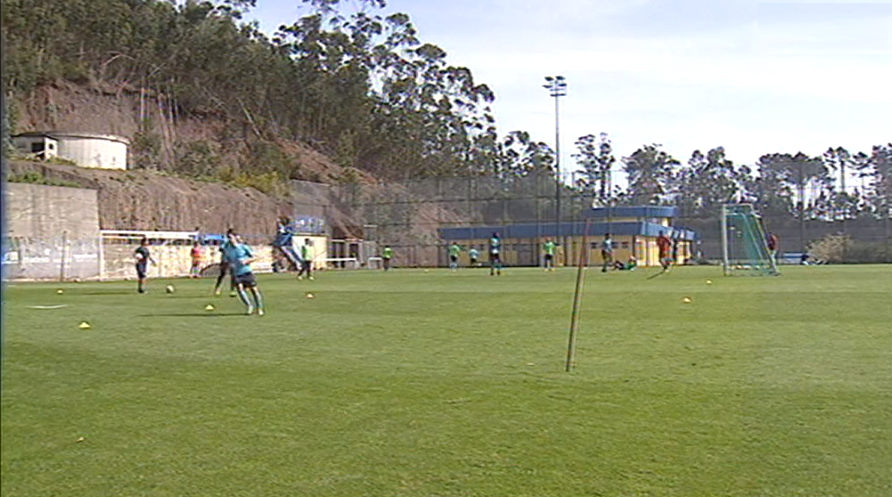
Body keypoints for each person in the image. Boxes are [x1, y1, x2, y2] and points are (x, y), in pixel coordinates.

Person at [223, 230, 265, 316]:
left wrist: (247, 261)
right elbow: (227, 260)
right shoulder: (228, 249)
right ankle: (249, 306)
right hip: (236, 273)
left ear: (235, 237)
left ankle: (259, 308)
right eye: (228, 238)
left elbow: (255, 257)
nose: (230, 240)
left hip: (246, 272)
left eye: (231, 237)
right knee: (239, 289)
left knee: (254, 290)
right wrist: (229, 265)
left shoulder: (243, 247)